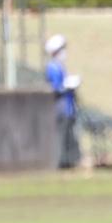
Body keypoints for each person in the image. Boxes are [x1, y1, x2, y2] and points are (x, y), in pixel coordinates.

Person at [45, 34, 81, 169]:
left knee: (70, 135)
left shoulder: (60, 66)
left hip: (68, 107)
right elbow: (55, 88)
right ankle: (61, 163)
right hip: (61, 108)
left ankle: (70, 161)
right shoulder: (52, 67)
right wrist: (67, 85)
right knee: (61, 136)